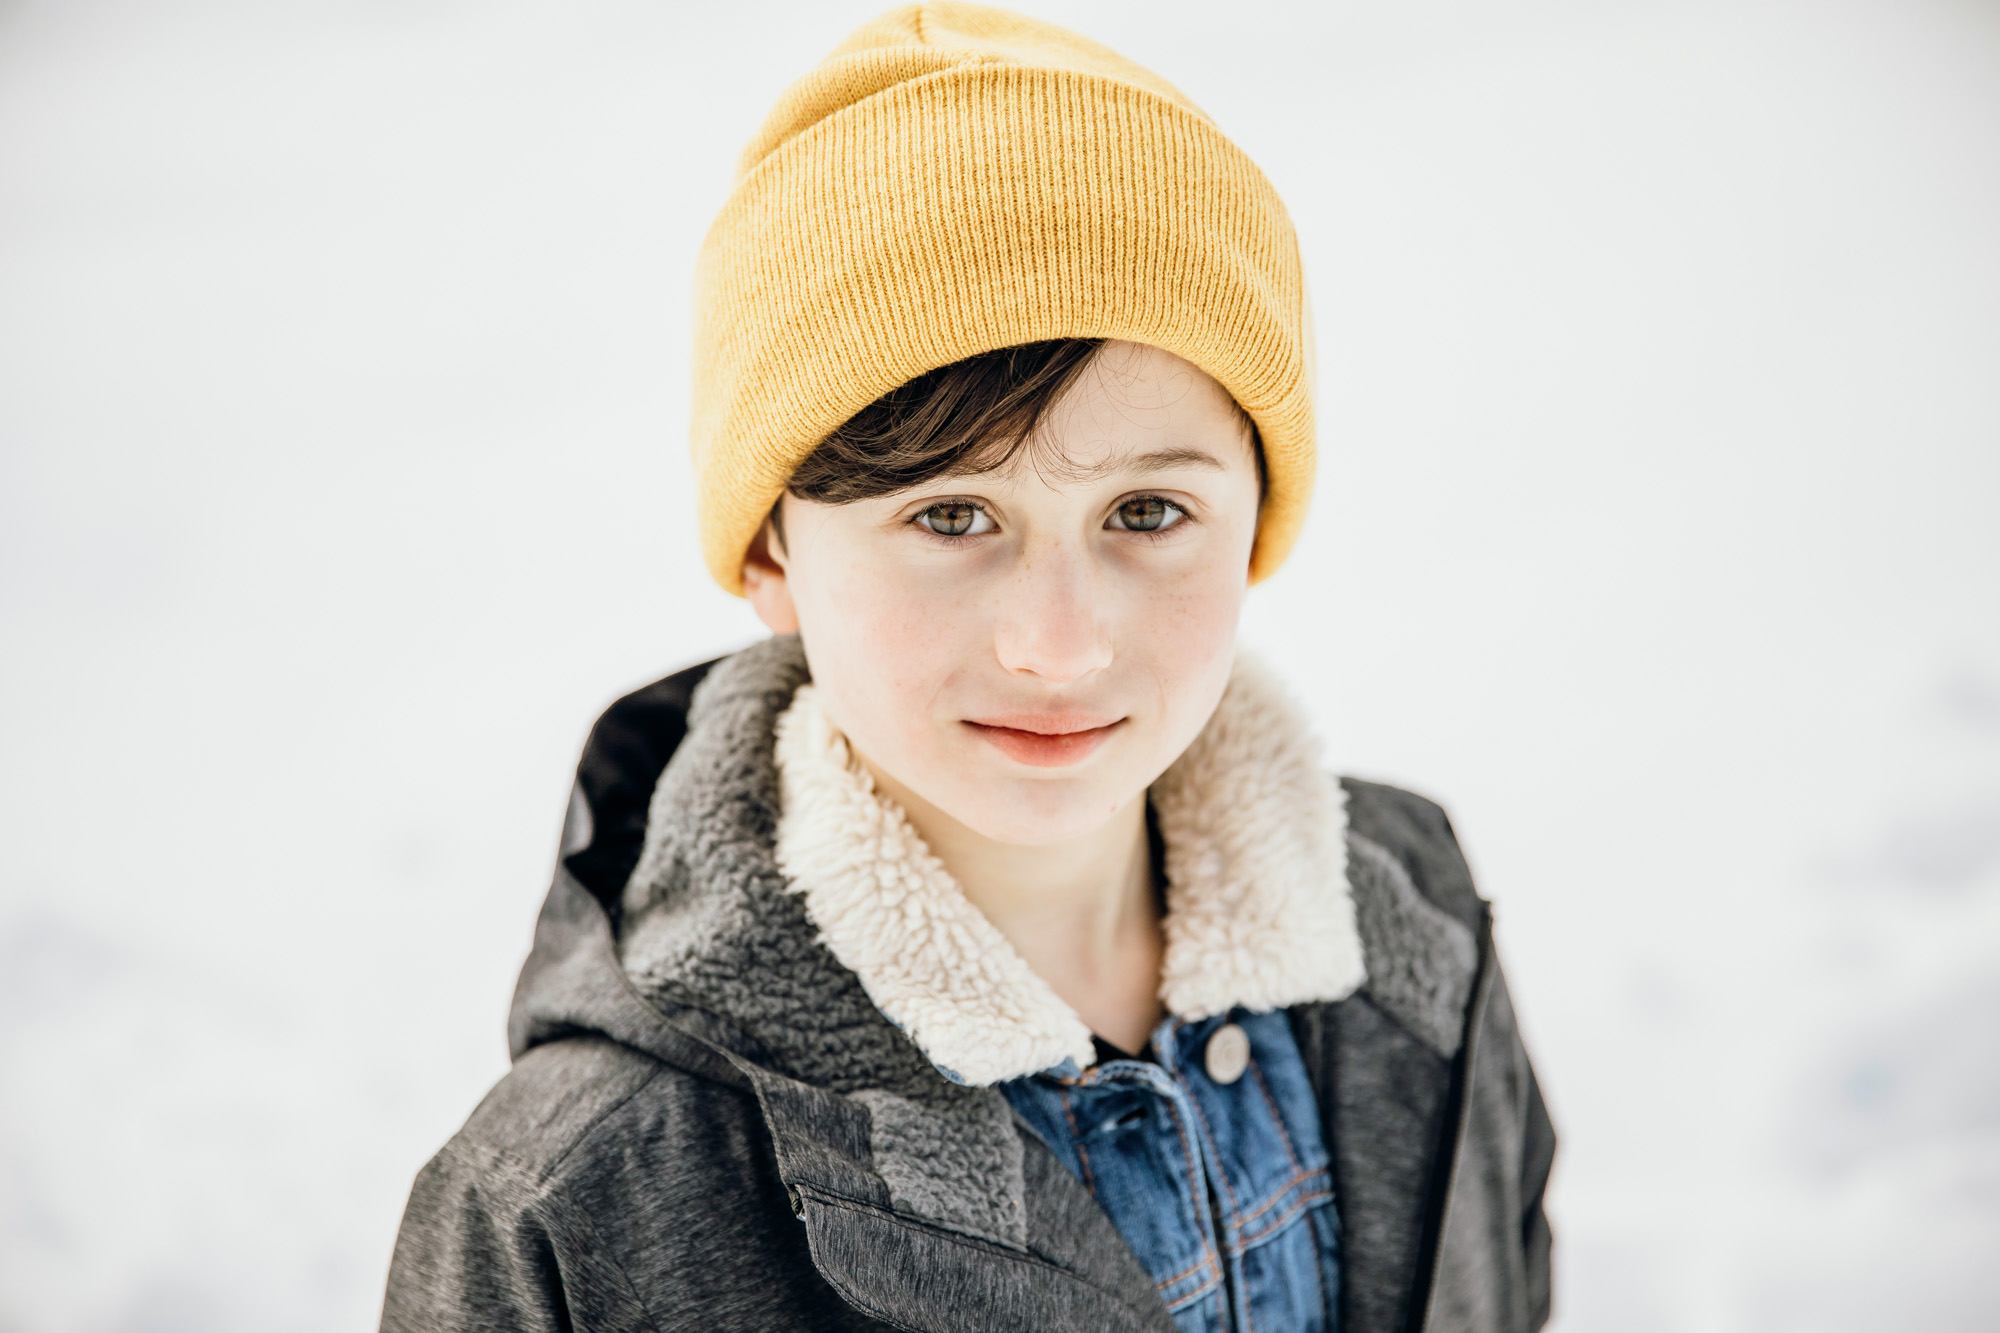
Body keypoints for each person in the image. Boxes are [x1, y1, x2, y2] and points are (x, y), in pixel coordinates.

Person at [380, 6, 1554, 1331]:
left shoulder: (1412, 939)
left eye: (1149, 512)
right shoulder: (580, 1203)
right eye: (949, 516)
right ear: (772, 551)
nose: (1058, 642)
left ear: (1256, 520)